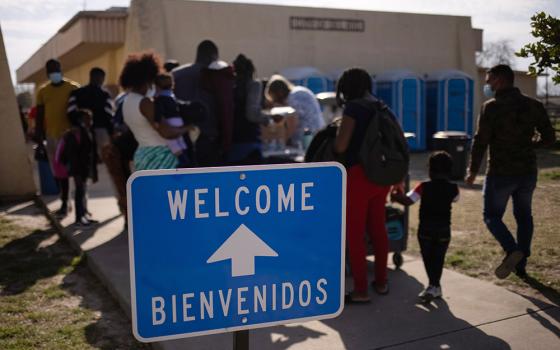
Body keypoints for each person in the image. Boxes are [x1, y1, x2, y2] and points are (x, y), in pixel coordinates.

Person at [465, 64, 556, 279]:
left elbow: (480, 142)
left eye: (489, 80)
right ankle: (521, 263)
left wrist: (472, 170)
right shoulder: (533, 105)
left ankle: (512, 249)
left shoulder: (491, 107)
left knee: (491, 216)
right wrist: (531, 145)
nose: (487, 84)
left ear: (499, 80)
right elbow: (550, 138)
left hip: (500, 173)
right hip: (527, 171)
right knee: (524, 216)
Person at [333, 68, 393, 303]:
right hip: (381, 175)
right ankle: (381, 281)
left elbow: (340, 146)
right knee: (378, 228)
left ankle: (360, 290)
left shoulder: (354, 108)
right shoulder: (380, 105)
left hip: (358, 176)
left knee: (355, 234)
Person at [391, 151, 459, 301]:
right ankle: (435, 286)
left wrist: (395, 196)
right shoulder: (453, 188)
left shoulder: (423, 187)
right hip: (443, 230)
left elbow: (408, 200)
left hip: (425, 230)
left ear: (430, 169)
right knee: (439, 259)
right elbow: (455, 199)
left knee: (428, 258)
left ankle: (433, 286)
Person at [120, 52, 192, 171]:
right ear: (147, 79)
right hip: (160, 157)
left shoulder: (127, 102)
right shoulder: (145, 103)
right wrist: (188, 128)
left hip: (143, 154)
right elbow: (167, 133)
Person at [173, 40, 233, 166]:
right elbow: (225, 108)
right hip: (209, 139)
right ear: (214, 56)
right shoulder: (217, 76)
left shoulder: (176, 75)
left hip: (180, 140)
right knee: (212, 182)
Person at [34, 59, 80, 216]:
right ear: (47, 73)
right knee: (59, 173)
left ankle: (81, 207)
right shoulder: (43, 91)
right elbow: (39, 117)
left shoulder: (73, 88)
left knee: (77, 171)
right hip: (52, 137)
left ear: (61, 70)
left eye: (57, 69)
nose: (54, 72)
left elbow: (81, 112)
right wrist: (39, 139)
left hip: (71, 137)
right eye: (51, 70)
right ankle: (64, 201)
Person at [55, 109, 97, 226]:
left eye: (90, 118)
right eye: (87, 118)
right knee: (79, 193)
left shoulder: (86, 131)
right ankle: (79, 219)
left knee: (82, 193)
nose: (90, 121)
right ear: (80, 120)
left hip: (83, 169)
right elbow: (72, 156)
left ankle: (83, 215)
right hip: (78, 170)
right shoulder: (75, 134)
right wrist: (76, 173)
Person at [228, 54, 269, 165]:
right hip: (251, 141)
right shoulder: (254, 85)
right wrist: (267, 119)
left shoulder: (230, 86)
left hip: (233, 141)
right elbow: (252, 113)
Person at [265, 75, 325, 147]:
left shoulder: (294, 97)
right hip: (317, 134)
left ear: (278, 94)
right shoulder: (298, 91)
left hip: (308, 138)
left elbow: (293, 122)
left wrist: (282, 141)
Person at [67, 67, 114, 158]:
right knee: (104, 161)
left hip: (81, 132)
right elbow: (109, 116)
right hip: (101, 132)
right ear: (102, 78)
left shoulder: (76, 93)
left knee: (84, 160)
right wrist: (111, 134)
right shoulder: (105, 95)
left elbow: (70, 113)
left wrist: (78, 125)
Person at [154, 73, 191, 167]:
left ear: (157, 86)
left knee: (172, 142)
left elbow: (159, 111)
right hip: (179, 121)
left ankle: (182, 159)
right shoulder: (172, 96)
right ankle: (185, 153)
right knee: (180, 139)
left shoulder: (160, 99)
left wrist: (157, 121)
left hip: (170, 121)